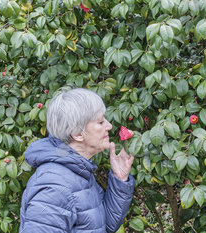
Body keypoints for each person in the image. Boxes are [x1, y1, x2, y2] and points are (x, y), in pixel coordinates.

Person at [19, 88, 136, 232]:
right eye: (100, 122)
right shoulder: (54, 186)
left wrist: (120, 179)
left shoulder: (77, 172)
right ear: (77, 133)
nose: (109, 126)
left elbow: (102, 226)